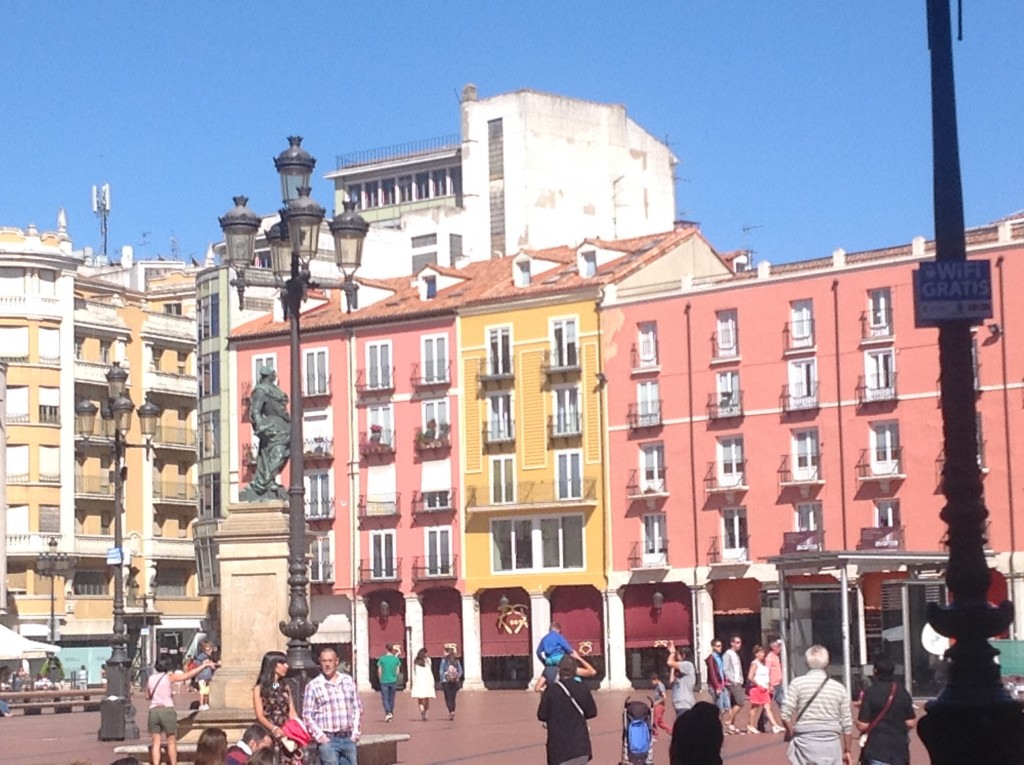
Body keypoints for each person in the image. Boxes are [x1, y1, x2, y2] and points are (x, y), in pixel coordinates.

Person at [781, 645, 853, 765]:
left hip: (804, 739)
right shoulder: (839, 688)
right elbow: (847, 723)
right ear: (827, 663)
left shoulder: (797, 684)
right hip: (831, 741)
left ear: (806, 662)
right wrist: (847, 750)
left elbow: (784, 714)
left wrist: (791, 732)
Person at [146, 654, 216, 765]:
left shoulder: (150, 679)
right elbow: (187, 675)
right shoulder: (169, 677)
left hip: (154, 710)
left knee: (156, 742)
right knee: (171, 741)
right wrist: (203, 666)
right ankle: (173, 763)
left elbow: (147, 696)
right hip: (167, 710)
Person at [303, 647, 362, 765]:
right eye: (324, 661)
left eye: (330, 661)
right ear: (320, 662)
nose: (327, 665)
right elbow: (307, 715)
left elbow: (357, 708)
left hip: (348, 738)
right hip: (328, 739)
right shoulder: (313, 685)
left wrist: (355, 733)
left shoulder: (348, 681)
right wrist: (321, 737)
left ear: (337, 661)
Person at [240, 366, 291, 501]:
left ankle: (269, 481)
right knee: (277, 454)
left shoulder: (276, 390)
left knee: (284, 454)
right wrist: (261, 425)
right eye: (274, 374)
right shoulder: (261, 391)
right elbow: (255, 410)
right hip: (271, 426)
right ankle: (263, 483)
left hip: (284, 426)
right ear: (269, 376)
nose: (276, 376)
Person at [537, 654, 598, 765]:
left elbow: (541, 715)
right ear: (574, 671)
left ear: (559, 671)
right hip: (580, 746)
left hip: (558, 748)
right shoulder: (582, 688)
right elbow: (592, 712)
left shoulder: (551, 690)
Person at [855, 655, 915, 765]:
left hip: (877, 748)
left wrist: (855, 720)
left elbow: (863, 725)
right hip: (899, 749)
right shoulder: (902, 691)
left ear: (875, 671)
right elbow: (910, 723)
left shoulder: (871, 692)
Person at [252, 652, 302, 764]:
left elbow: (292, 711)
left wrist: (297, 729)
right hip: (268, 732)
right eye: (282, 663)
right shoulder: (259, 688)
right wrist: (273, 728)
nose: (287, 666)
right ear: (273, 665)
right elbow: (260, 715)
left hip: (286, 733)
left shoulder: (284, 686)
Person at [747, 645, 784, 734]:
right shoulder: (755, 664)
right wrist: (758, 685)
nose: (763, 654)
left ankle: (775, 725)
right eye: (761, 653)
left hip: (764, 689)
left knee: (768, 707)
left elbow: (767, 675)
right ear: (756, 654)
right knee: (755, 708)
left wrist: (769, 685)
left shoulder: (763, 664)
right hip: (757, 689)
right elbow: (750, 677)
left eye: (763, 652)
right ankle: (750, 725)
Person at [536, 622, 577, 686]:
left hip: (549, 660)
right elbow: (568, 648)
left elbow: (538, 652)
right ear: (558, 630)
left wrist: (544, 661)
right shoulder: (558, 637)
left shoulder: (544, 638)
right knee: (570, 668)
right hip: (559, 658)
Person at [722, 636, 748, 734]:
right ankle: (728, 721)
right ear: (732, 643)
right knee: (741, 701)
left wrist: (741, 679)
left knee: (735, 703)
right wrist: (732, 680)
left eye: (740, 642)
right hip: (733, 682)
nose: (739, 645)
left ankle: (731, 725)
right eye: (737, 642)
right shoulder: (728, 654)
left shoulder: (736, 655)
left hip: (738, 681)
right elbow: (725, 669)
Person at [666, 641, 697, 716]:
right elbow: (671, 681)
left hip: (685, 703)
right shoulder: (681, 671)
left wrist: (672, 653)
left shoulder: (688, 665)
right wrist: (673, 667)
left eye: (678, 655)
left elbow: (669, 662)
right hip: (678, 704)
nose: (676, 657)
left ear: (683, 655)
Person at [705, 639, 731, 722]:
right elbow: (712, 673)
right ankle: (717, 726)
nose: (720, 648)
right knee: (719, 707)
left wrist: (725, 680)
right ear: (713, 647)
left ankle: (722, 725)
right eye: (718, 646)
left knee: (726, 706)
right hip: (716, 686)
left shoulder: (719, 657)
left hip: (722, 684)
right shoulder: (711, 659)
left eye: (721, 646)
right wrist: (717, 686)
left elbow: (721, 670)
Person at [376, 643, 402, 722]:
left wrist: (380, 678)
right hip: (393, 680)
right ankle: (390, 712)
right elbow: (397, 671)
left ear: (386, 649)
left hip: (384, 680)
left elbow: (380, 670)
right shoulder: (396, 659)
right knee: (391, 698)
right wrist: (395, 677)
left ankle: (388, 712)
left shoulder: (382, 659)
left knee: (385, 698)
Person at [410, 648, 436, 721]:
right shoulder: (428, 661)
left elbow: (414, 672)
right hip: (427, 680)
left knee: (420, 698)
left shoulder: (415, 661)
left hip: (419, 680)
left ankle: (422, 711)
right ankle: (426, 712)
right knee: (427, 698)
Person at [439, 647, 463, 721]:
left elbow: (441, 671)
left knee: (447, 697)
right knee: (453, 697)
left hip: (446, 682)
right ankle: (453, 710)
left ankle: (450, 711)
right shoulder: (456, 661)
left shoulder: (444, 660)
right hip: (455, 682)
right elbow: (460, 671)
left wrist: (443, 678)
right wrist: (457, 677)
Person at [195, 640, 218, 711]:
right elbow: (198, 663)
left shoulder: (209, 657)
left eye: (210, 649)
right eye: (208, 650)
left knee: (207, 691)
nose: (210, 651)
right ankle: (201, 704)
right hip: (203, 677)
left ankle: (205, 704)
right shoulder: (202, 656)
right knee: (203, 691)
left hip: (207, 676)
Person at [650, 674, 673, 739]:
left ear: (656, 680)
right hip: (659, 706)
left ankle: (655, 735)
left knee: (655, 720)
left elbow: (664, 697)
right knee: (660, 722)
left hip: (659, 706)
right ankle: (671, 732)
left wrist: (656, 703)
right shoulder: (658, 686)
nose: (652, 683)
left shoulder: (660, 686)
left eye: (653, 681)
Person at [767, 639, 785, 707]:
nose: (780, 649)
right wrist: (770, 684)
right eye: (778, 647)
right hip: (773, 684)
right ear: (774, 648)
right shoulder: (769, 657)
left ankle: (783, 715)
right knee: (768, 702)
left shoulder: (776, 657)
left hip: (778, 683)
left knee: (780, 701)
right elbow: (767, 671)